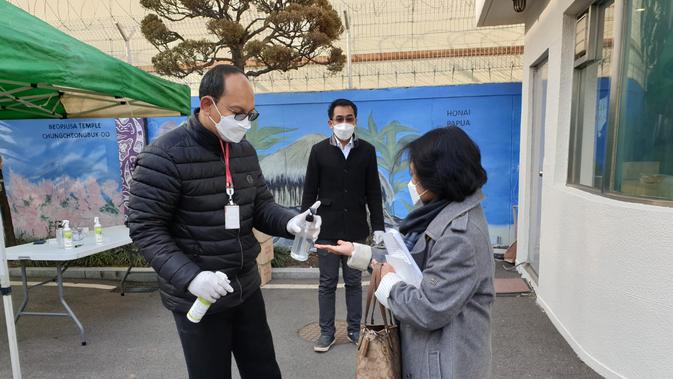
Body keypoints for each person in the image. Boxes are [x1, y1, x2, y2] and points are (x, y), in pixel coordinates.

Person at [127, 64, 320, 379]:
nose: (244, 122)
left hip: (245, 288)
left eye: (250, 114)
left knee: (264, 371)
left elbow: (260, 207)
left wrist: (290, 223)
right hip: (199, 297)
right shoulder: (164, 157)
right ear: (207, 105)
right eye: (237, 112)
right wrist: (192, 278)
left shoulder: (243, 150)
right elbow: (146, 230)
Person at [316, 126, 494, 378]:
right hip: (429, 356)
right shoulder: (436, 212)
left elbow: (429, 308)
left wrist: (389, 282)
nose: (412, 183)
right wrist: (360, 252)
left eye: (415, 176)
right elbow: (407, 259)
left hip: (446, 365)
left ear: (440, 177)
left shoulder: (460, 235)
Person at [301, 98, 385, 352]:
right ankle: (326, 332)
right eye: (339, 119)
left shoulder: (367, 151)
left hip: (356, 230)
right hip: (326, 229)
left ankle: (353, 329)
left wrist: (378, 227)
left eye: (349, 118)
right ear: (330, 123)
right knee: (326, 283)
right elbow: (309, 191)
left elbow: (373, 192)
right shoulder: (319, 151)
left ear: (355, 121)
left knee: (353, 282)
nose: (344, 123)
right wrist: (305, 227)